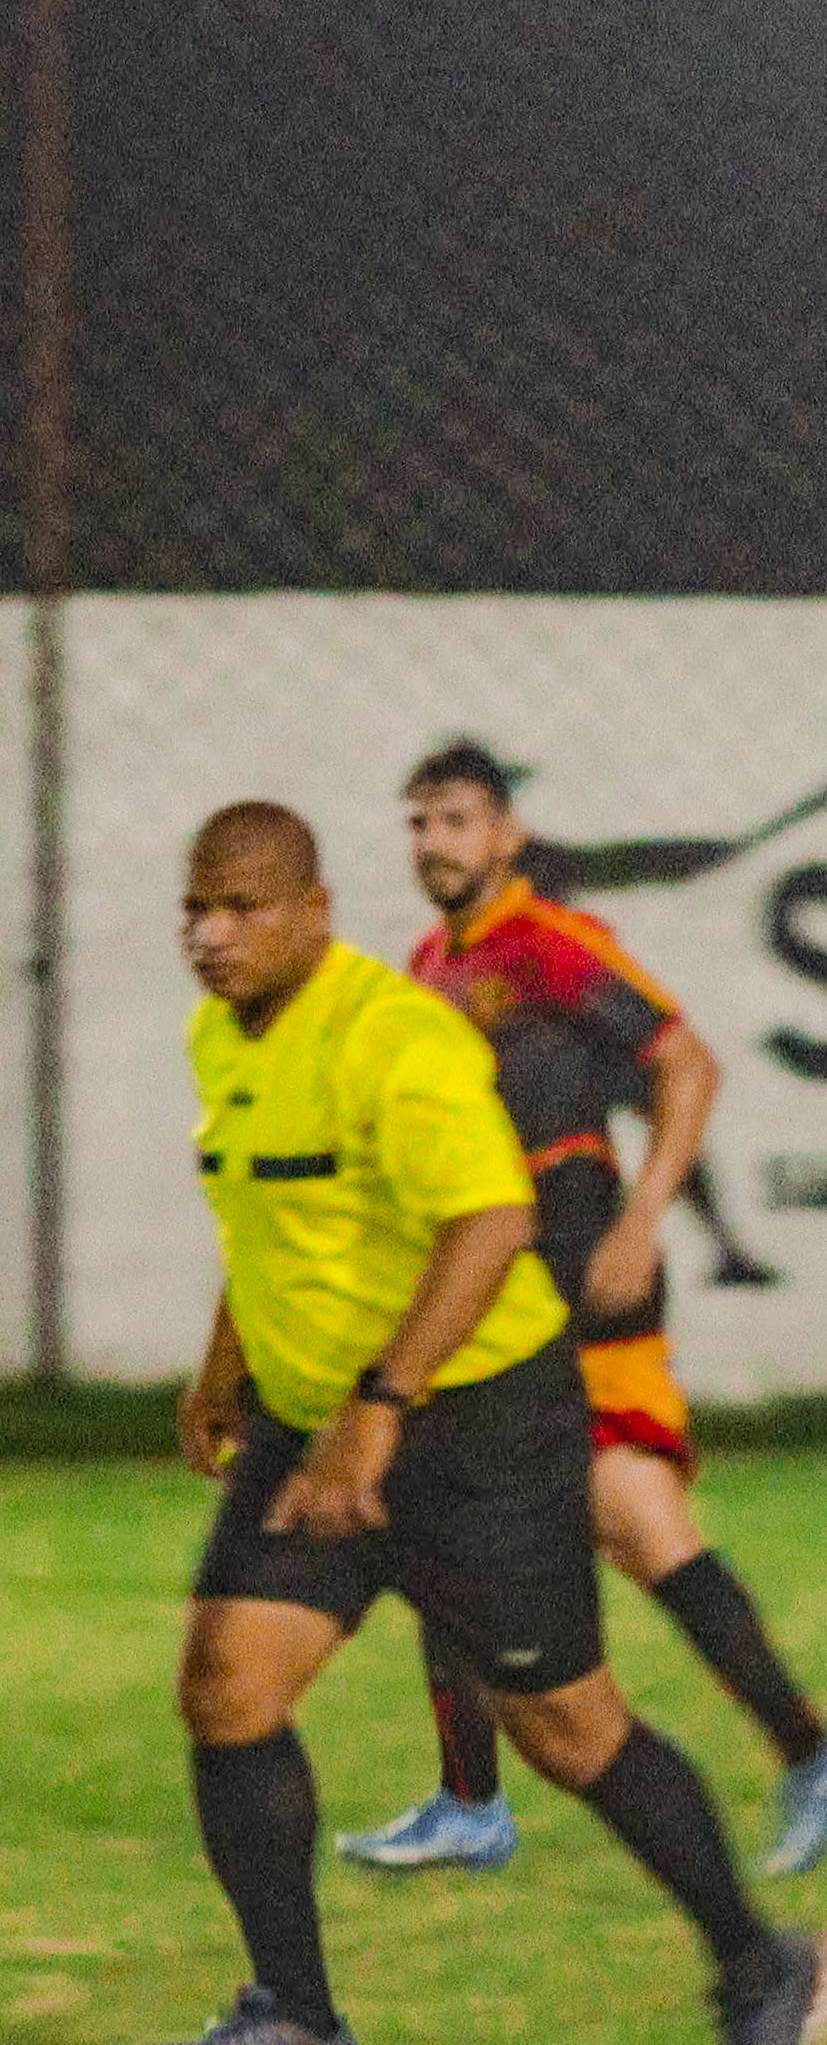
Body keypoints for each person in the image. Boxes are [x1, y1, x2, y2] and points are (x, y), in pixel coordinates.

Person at [129, 801, 807, 2045]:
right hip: (317, 1424)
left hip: (479, 1426)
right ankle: (300, 2027)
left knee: (568, 1729)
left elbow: (492, 1224)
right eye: (195, 908)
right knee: (228, 1686)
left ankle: (761, 1966)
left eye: (242, 907)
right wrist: (225, 1367)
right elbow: (271, 1222)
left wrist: (384, 1407)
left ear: (315, 913)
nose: (210, 935)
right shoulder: (225, 1036)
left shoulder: (400, 1038)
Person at [339, 740, 827, 1882]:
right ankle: (471, 1801)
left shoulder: (551, 944)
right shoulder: (431, 965)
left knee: (641, 1526)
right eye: (419, 823)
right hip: (501, 1299)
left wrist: (641, 1221)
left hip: (583, 1282)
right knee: (448, 1519)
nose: (434, 843)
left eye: (457, 820)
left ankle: (809, 1757)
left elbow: (688, 1065)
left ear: (507, 834)